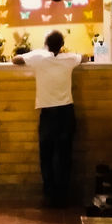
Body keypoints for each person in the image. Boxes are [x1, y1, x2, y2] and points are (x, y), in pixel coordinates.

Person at [13, 31, 83, 206]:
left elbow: (16, 59)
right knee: (65, 154)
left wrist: (35, 53)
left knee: (47, 154)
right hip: (67, 112)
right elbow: (85, 57)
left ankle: (49, 191)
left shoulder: (38, 57)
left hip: (48, 114)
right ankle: (63, 193)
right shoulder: (70, 58)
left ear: (46, 43)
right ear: (62, 45)